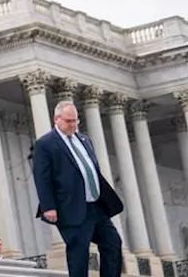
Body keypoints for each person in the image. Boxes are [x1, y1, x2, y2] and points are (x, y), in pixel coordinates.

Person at [33, 100, 125, 277]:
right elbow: (42, 177)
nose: (73, 125)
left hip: (96, 205)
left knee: (113, 243)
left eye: (76, 121)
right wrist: (48, 206)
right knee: (79, 252)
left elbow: (92, 169)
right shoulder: (46, 144)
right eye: (69, 121)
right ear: (57, 119)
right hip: (70, 206)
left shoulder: (84, 140)